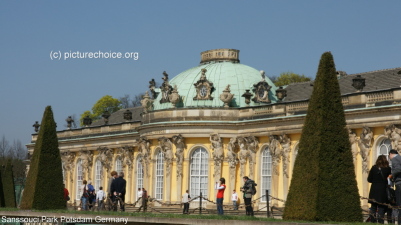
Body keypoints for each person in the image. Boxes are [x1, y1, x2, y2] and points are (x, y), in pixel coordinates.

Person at [368, 155, 392, 223]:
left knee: (373, 207)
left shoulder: (373, 168)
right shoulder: (388, 169)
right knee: (381, 206)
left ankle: (373, 221)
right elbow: (389, 178)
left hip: (374, 189)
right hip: (382, 189)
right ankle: (381, 221)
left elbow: (369, 179)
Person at [390, 149, 401, 224]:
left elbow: (398, 169)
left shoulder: (394, 159)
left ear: (390, 154)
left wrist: (391, 175)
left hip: (399, 183)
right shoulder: (400, 158)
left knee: (399, 204)